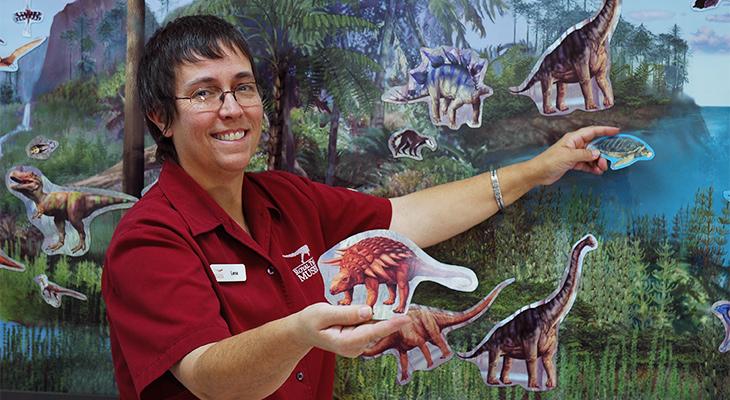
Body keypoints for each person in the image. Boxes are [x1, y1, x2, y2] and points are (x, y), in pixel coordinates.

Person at [101, 14, 619, 400]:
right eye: (204, 94)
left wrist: (538, 168)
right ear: (161, 117)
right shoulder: (149, 240)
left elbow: (409, 218)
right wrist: (303, 331)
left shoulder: (286, 197)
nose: (232, 108)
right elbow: (210, 375)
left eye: (243, 87)